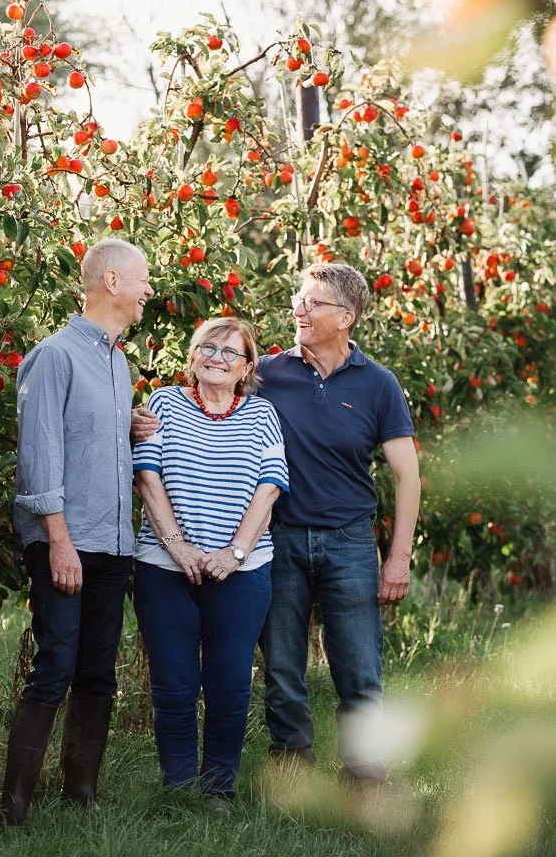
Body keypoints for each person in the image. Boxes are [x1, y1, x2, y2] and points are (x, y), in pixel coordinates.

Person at [0, 238, 154, 828]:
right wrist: (59, 542)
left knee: (97, 670)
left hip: (112, 542)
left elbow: (85, 437)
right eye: (141, 280)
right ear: (112, 282)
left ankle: (80, 794)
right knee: (56, 663)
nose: (148, 291)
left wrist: (126, 426)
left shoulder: (117, 362)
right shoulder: (54, 356)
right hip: (65, 540)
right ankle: (14, 804)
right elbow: (40, 456)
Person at [256, 262, 420, 800]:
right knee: (282, 666)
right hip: (280, 538)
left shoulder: (379, 384)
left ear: (346, 317)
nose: (298, 310)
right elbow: (207, 396)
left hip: (350, 542)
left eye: (312, 302)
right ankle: (292, 770)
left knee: (360, 670)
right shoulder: (267, 373)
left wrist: (398, 558)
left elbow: (407, 474)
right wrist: (146, 419)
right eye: (298, 300)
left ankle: (365, 778)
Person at [131, 317, 289, 813]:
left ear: (246, 368)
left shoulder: (263, 414)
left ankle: (219, 788)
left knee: (230, 681)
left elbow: (269, 489)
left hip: (242, 571)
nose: (217, 358)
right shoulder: (163, 403)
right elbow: (148, 477)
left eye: (230, 352)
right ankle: (179, 789)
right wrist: (177, 547)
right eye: (208, 347)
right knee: (173, 682)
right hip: (164, 567)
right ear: (192, 355)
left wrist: (234, 553)